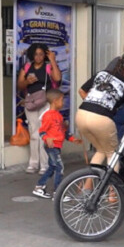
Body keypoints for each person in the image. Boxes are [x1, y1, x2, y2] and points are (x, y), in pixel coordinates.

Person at [74, 55, 124, 169]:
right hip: (101, 120)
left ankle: (87, 185)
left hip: (81, 115)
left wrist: (94, 105)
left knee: (101, 150)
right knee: (112, 154)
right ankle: (114, 187)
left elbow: (81, 91)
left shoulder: (101, 74)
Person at [17, 43, 62, 174]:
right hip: (31, 102)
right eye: (36, 54)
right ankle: (33, 163)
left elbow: (58, 78)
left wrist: (52, 60)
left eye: (41, 54)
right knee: (34, 133)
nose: (38, 57)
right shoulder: (26, 67)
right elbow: (20, 85)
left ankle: (45, 165)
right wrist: (27, 82)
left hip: (46, 103)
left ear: (45, 55)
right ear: (32, 54)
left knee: (45, 133)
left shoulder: (48, 66)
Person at [32, 89, 81, 199]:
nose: (63, 102)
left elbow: (63, 131)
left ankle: (39, 187)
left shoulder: (58, 116)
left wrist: (73, 139)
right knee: (60, 167)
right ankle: (58, 193)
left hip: (56, 146)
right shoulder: (48, 116)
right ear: (55, 101)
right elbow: (42, 131)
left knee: (52, 167)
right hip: (51, 146)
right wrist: (46, 138)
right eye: (62, 100)